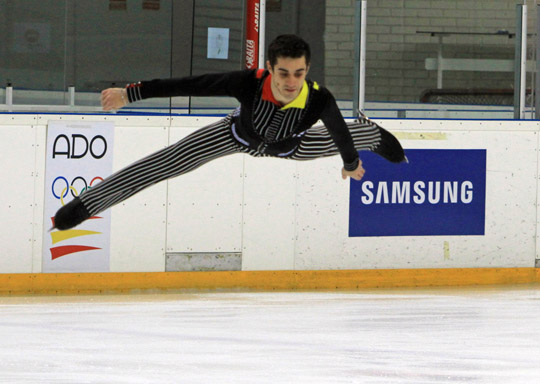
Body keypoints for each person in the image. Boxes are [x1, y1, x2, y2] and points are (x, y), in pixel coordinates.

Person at [53, 34, 405, 230]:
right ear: (269, 68)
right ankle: (83, 207)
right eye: (283, 73)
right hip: (234, 134)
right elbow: (191, 83)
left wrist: (350, 161)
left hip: (290, 145)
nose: (290, 82)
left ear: (307, 70)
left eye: (298, 73)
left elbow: (339, 131)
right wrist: (131, 93)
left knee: (353, 135)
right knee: (165, 162)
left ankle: (376, 136)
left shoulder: (319, 99)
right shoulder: (248, 83)